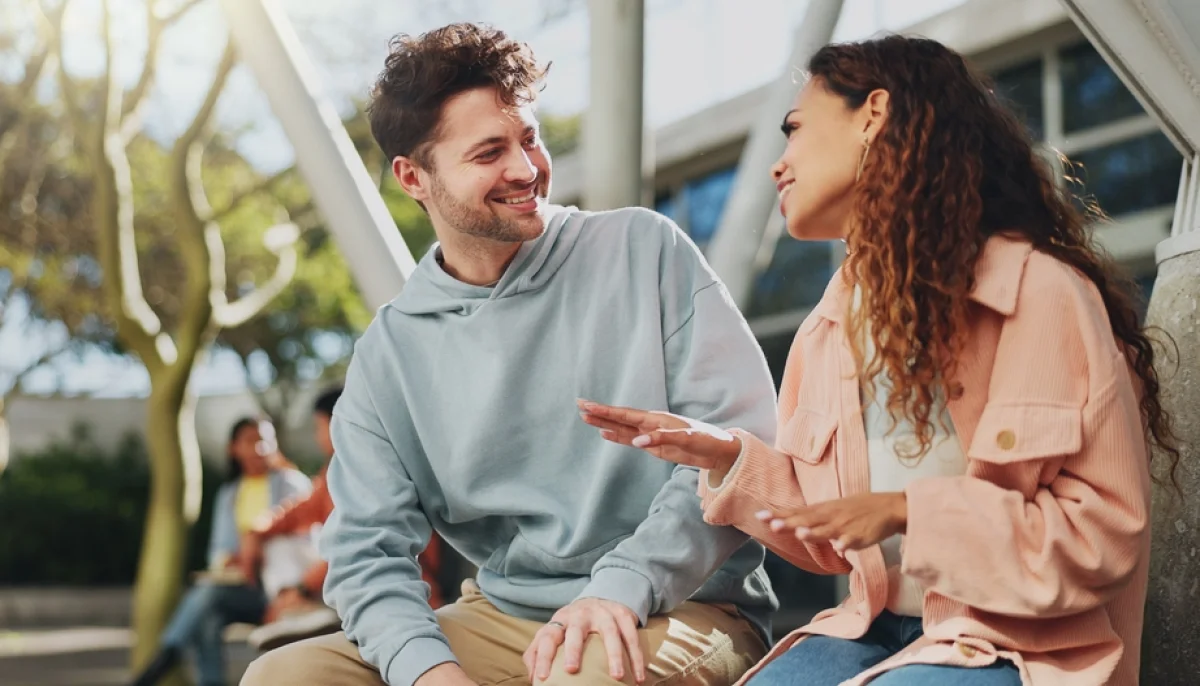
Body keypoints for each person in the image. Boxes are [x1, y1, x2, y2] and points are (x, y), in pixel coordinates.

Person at [580, 35, 1178, 686]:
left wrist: (910, 511)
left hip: (1020, 647)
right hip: (871, 630)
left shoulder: (1040, 293)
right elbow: (834, 539)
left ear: (873, 114)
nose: (780, 164)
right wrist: (727, 457)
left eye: (795, 129)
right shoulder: (829, 327)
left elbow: (1100, 537)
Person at [241, 22, 778, 686]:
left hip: (682, 603)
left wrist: (625, 583)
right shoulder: (391, 352)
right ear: (413, 177)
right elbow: (365, 553)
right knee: (283, 676)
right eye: (489, 152)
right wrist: (429, 673)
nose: (525, 169)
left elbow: (738, 445)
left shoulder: (643, 250)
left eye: (529, 138)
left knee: (586, 677)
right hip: (506, 619)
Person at [241, 386, 448, 652]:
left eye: (318, 427)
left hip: (396, 590)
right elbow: (294, 512)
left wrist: (302, 588)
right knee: (278, 544)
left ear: (339, 422)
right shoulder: (333, 471)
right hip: (350, 581)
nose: (316, 436)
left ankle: (304, 612)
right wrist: (255, 532)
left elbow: (360, 543)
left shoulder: (378, 467)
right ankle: (300, 613)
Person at [131, 417, 311, 686]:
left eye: (265, 440)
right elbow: (219, 551)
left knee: (206, 596)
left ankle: (165, 659)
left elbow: (305, 540)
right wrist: (231, 560)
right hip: (243, 589)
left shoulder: (292, 484)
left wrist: (258, 545)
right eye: (250, 441)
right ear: (233, 448)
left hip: (281, 590)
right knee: (208, 615)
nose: (260, 448)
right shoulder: (229, 494)